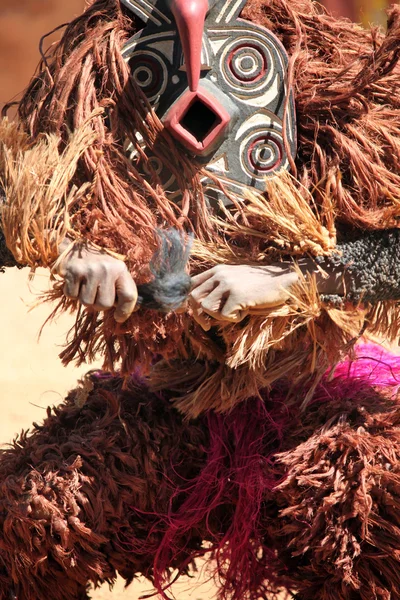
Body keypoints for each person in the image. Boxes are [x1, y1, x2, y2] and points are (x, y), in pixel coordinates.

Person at [1, 0, 400, 598]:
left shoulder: (321, 69)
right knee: (25, 525)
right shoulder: (101, 66)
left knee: (374, 509)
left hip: (310, 400)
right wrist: (65, 246)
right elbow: (26, 194)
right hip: (160, 414)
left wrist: (293, 281)